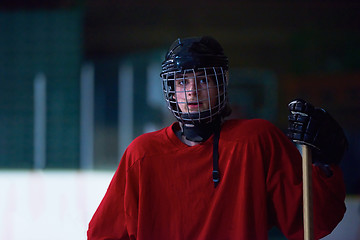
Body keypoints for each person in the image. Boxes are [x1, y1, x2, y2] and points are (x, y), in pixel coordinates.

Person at [87, 36, 348, 240]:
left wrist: (324, 165)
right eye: (182, 82)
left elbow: (311, 222)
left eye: (203, 80)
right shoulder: (142, 156)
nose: (191, 92)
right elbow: (104, 234)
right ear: (171, 90)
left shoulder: (256, 141)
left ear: (221, 85)